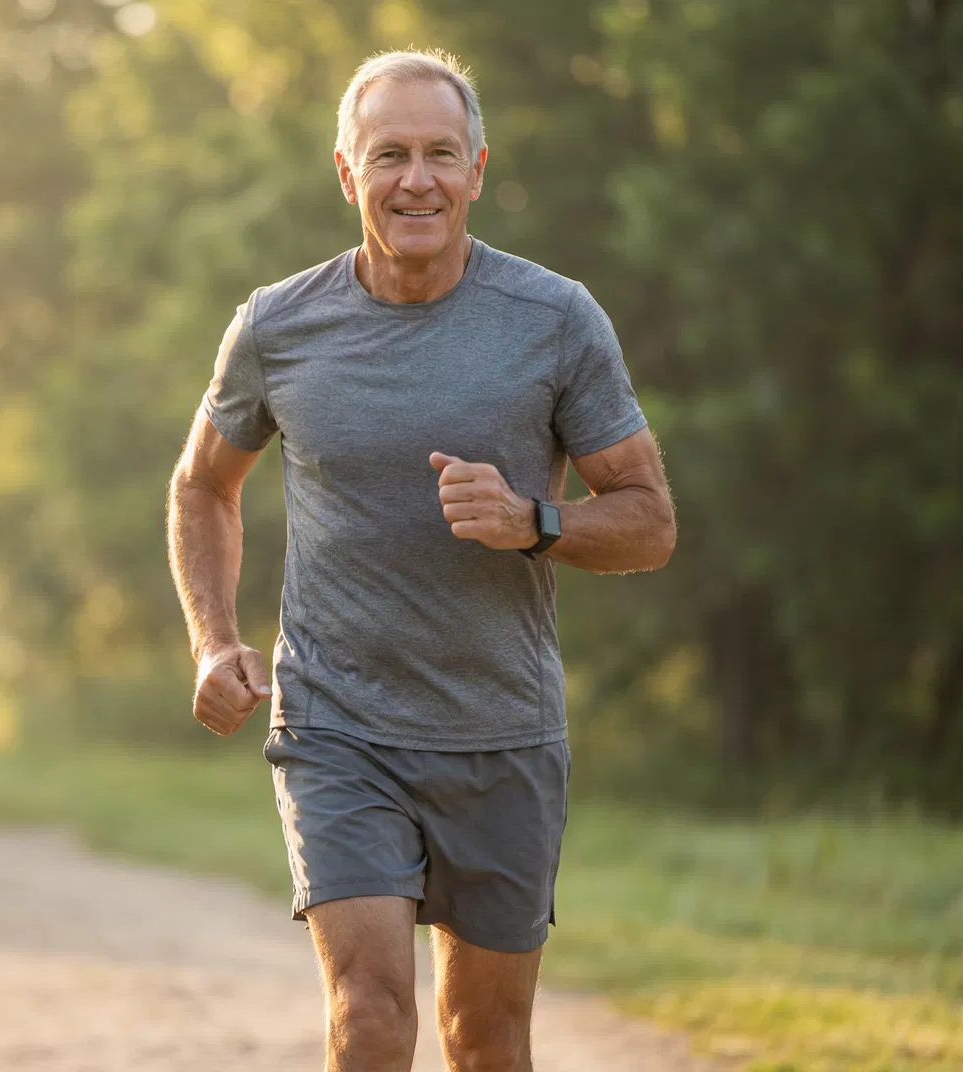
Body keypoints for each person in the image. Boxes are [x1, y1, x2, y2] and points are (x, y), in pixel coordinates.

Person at [164, 49, 677, 1072]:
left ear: (477, 170)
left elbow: (651, 522)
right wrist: (214, 642)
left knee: (485, 1040)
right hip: (337, 725)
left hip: (501, 729)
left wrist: (533, 519)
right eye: (389, 154)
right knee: (370, 1014)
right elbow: (202, 486)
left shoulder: (554, 320)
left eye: (441, 153)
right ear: (347, 173)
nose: (417, 180)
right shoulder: (278, 325)